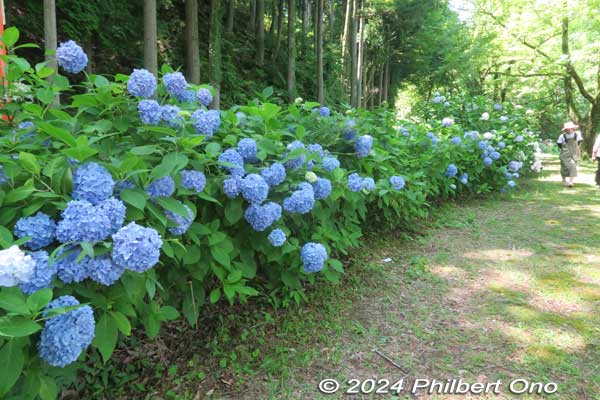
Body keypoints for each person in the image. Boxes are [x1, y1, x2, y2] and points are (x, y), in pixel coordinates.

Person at [557, 121, 583, 188]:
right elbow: (559, 144)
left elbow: (579, 142)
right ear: (565, 129)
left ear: (573, 128)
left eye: (571, 128)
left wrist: (576, 150)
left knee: (573, 165)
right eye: (568, 129)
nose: (569, 130)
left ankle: (571, 182)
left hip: (574, 152)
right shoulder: (562, 136)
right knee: (564, 167)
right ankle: (564, 180)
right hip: (565, 153)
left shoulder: (577, 134)